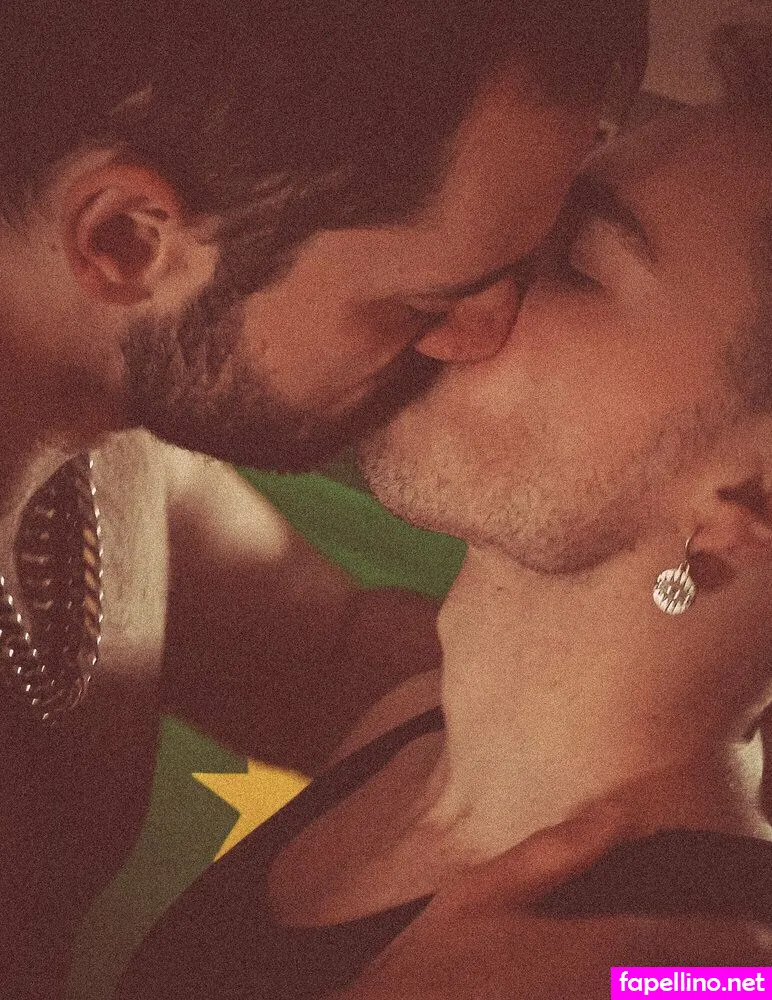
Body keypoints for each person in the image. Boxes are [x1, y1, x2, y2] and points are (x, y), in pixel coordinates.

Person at [0, 1, 648, 995]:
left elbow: (324, 656)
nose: (484, 338)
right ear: (126, 239)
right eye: (430, 302)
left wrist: (693, 716)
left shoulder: (102, 438)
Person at [117, 23, 772, 1000]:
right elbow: (247, 596)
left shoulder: (681, 969)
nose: (471, 284)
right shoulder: (417, 722)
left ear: (751, 497)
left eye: (576, 262)